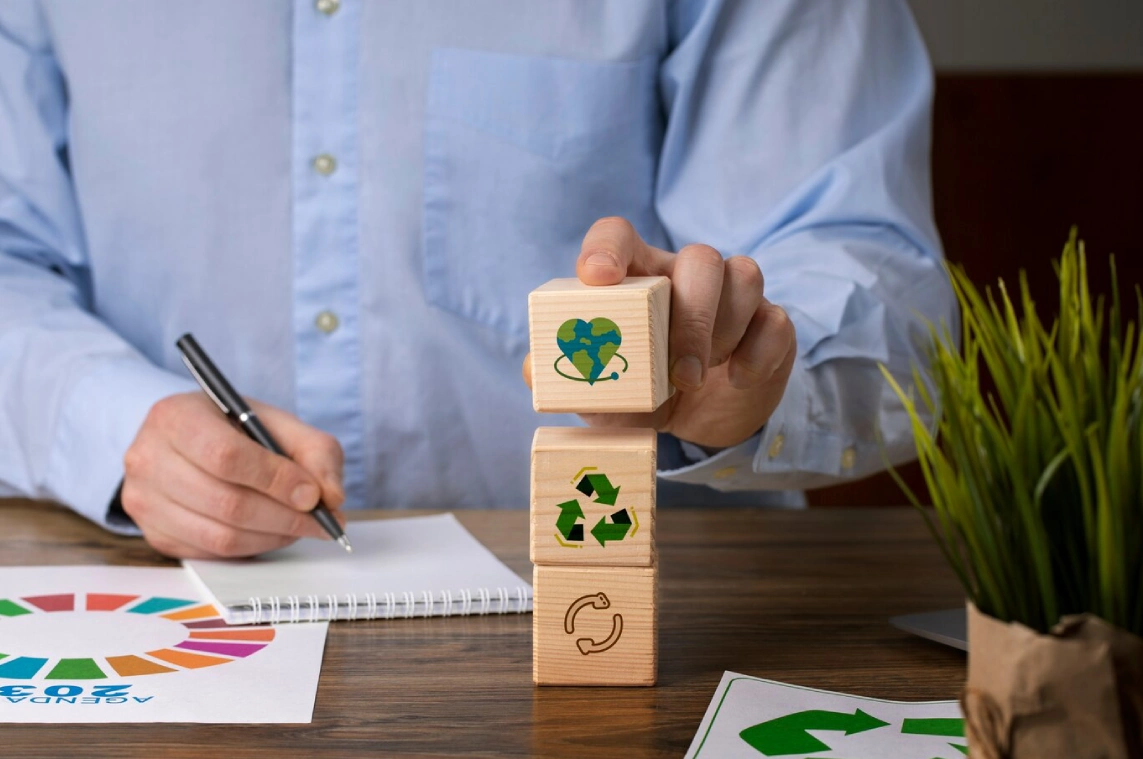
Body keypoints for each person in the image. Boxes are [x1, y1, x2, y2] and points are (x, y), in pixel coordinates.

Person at [0, 1, 954, 559]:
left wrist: (754, 377)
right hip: (169, 608)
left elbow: (878, 284)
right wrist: (116, 421)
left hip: (671, 611)